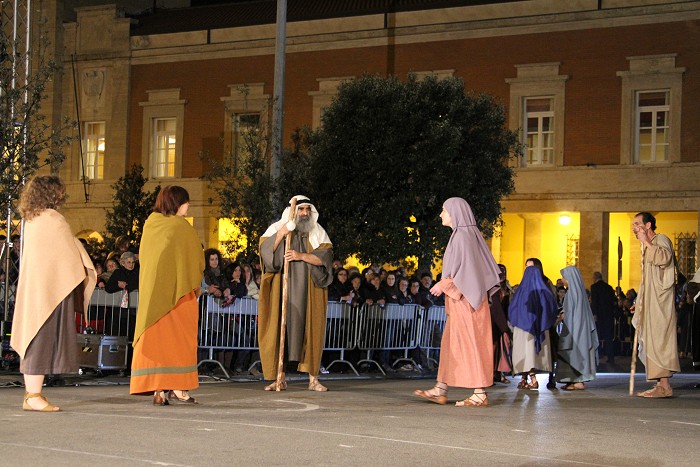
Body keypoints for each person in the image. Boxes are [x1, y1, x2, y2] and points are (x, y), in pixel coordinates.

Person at [11, 175, 97, 411]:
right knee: (40, 338)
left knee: (37, 337)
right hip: (50, 290)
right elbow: (67, 252)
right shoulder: (52, 219)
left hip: (38, 289)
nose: (62, 195)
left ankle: (33, 394)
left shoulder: (32, 219)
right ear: (51, 193)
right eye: (59, 191)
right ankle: (33, 396)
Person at [414, 197, 500, 407]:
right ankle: (440, 389)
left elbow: (467, 272)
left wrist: (442, 284)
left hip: (467, 302)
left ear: (455, 213)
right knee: (451, 344)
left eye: (444, 210)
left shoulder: (462, 236)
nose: (441, 214)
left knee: (470, 344)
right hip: (464, 301)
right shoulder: (465, 235)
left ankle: (479, 393)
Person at [130, 186, 204, 406]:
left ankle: (159, 388)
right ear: (177, 203)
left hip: (154, 296)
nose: (188, 206)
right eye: (186, 202)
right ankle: (179, 388)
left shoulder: (151, 224)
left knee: (156, 341)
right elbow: (197, 259)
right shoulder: (182, 227)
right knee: (180, 341)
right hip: (180, 295)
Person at [258, 195, 333, 391]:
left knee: (312, 329)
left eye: (308, 209)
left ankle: (313, 379)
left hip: (309, 291)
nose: (305, 213)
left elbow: (325, 259)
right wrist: (283, 231)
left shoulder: (317, 232)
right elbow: (265, 253)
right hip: (282, 290)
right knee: (279, 328)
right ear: (293, 211)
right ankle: (279, 378)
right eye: (301, 209)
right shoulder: (278, 228)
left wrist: (301, 256)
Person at [631, 212, 680, 398]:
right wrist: (639, 301)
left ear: (648, 225)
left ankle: (665, 386)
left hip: (661, 303)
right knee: (651, 340)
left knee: (660, 340)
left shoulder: (661, 240)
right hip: (650, 302)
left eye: (637, 224)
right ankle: (660, 384)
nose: (634, 228)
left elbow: (664, 259)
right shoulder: (648, 246)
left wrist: (646, 242)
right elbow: (646, 280)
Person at [509, 263, 558, 390]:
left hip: (522, 328)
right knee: (532, 354)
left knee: (525, 354)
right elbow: (551, 309)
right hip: (540, 328)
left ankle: (531, 379)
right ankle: (524, 379)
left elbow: (513, 309)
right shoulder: (544, 291)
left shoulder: (520, 291)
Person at [556, 266, 599, 390]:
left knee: (573, 353)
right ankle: (575, 381)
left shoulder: (571, 293)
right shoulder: (580, 293)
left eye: (564, 277)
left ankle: (577, 381)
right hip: (581, 329)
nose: (562, 280)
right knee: (580, 353)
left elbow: (568, 314)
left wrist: (560, 317)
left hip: (574, 330)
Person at [590, 271, 618, 365]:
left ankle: (599, 355)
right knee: (608, 337)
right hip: (608, 315)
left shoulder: (594, 287)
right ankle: (610, 357)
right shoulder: (609, 287)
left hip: (599, 315)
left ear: (595, 278)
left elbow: (594, 301)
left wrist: (594, 313)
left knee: (597, 336)